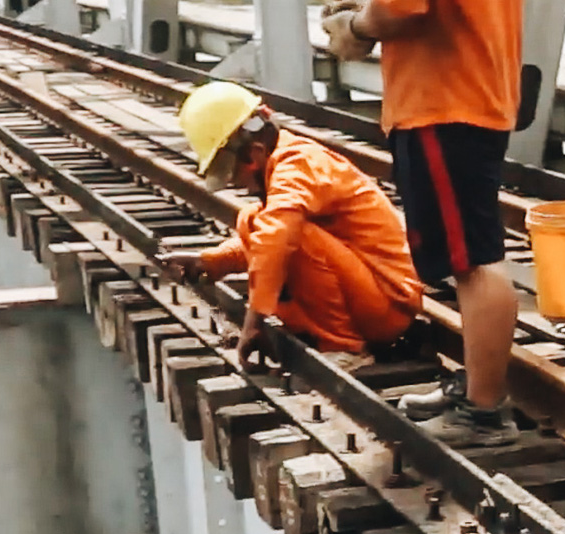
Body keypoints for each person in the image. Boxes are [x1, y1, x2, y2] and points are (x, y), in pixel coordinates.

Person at [323, 0, 523, 446]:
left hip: (444, 101)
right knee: (468, 254)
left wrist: (354, 27)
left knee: (474, 260)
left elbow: (403, 8)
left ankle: (484, 414)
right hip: (470, 92)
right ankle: (475, 391)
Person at [157, 83, 423, 368]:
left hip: (387, 307)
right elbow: (264, 236)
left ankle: (344, 346)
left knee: (289, 234)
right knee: (252, 218)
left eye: (232, 171)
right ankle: (331, 333)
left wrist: (254, 319)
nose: (237, 183)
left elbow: (277, 238)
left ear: (254, 153)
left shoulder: (298, 164)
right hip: (368, 295)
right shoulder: (285, 164)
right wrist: (214, 261)